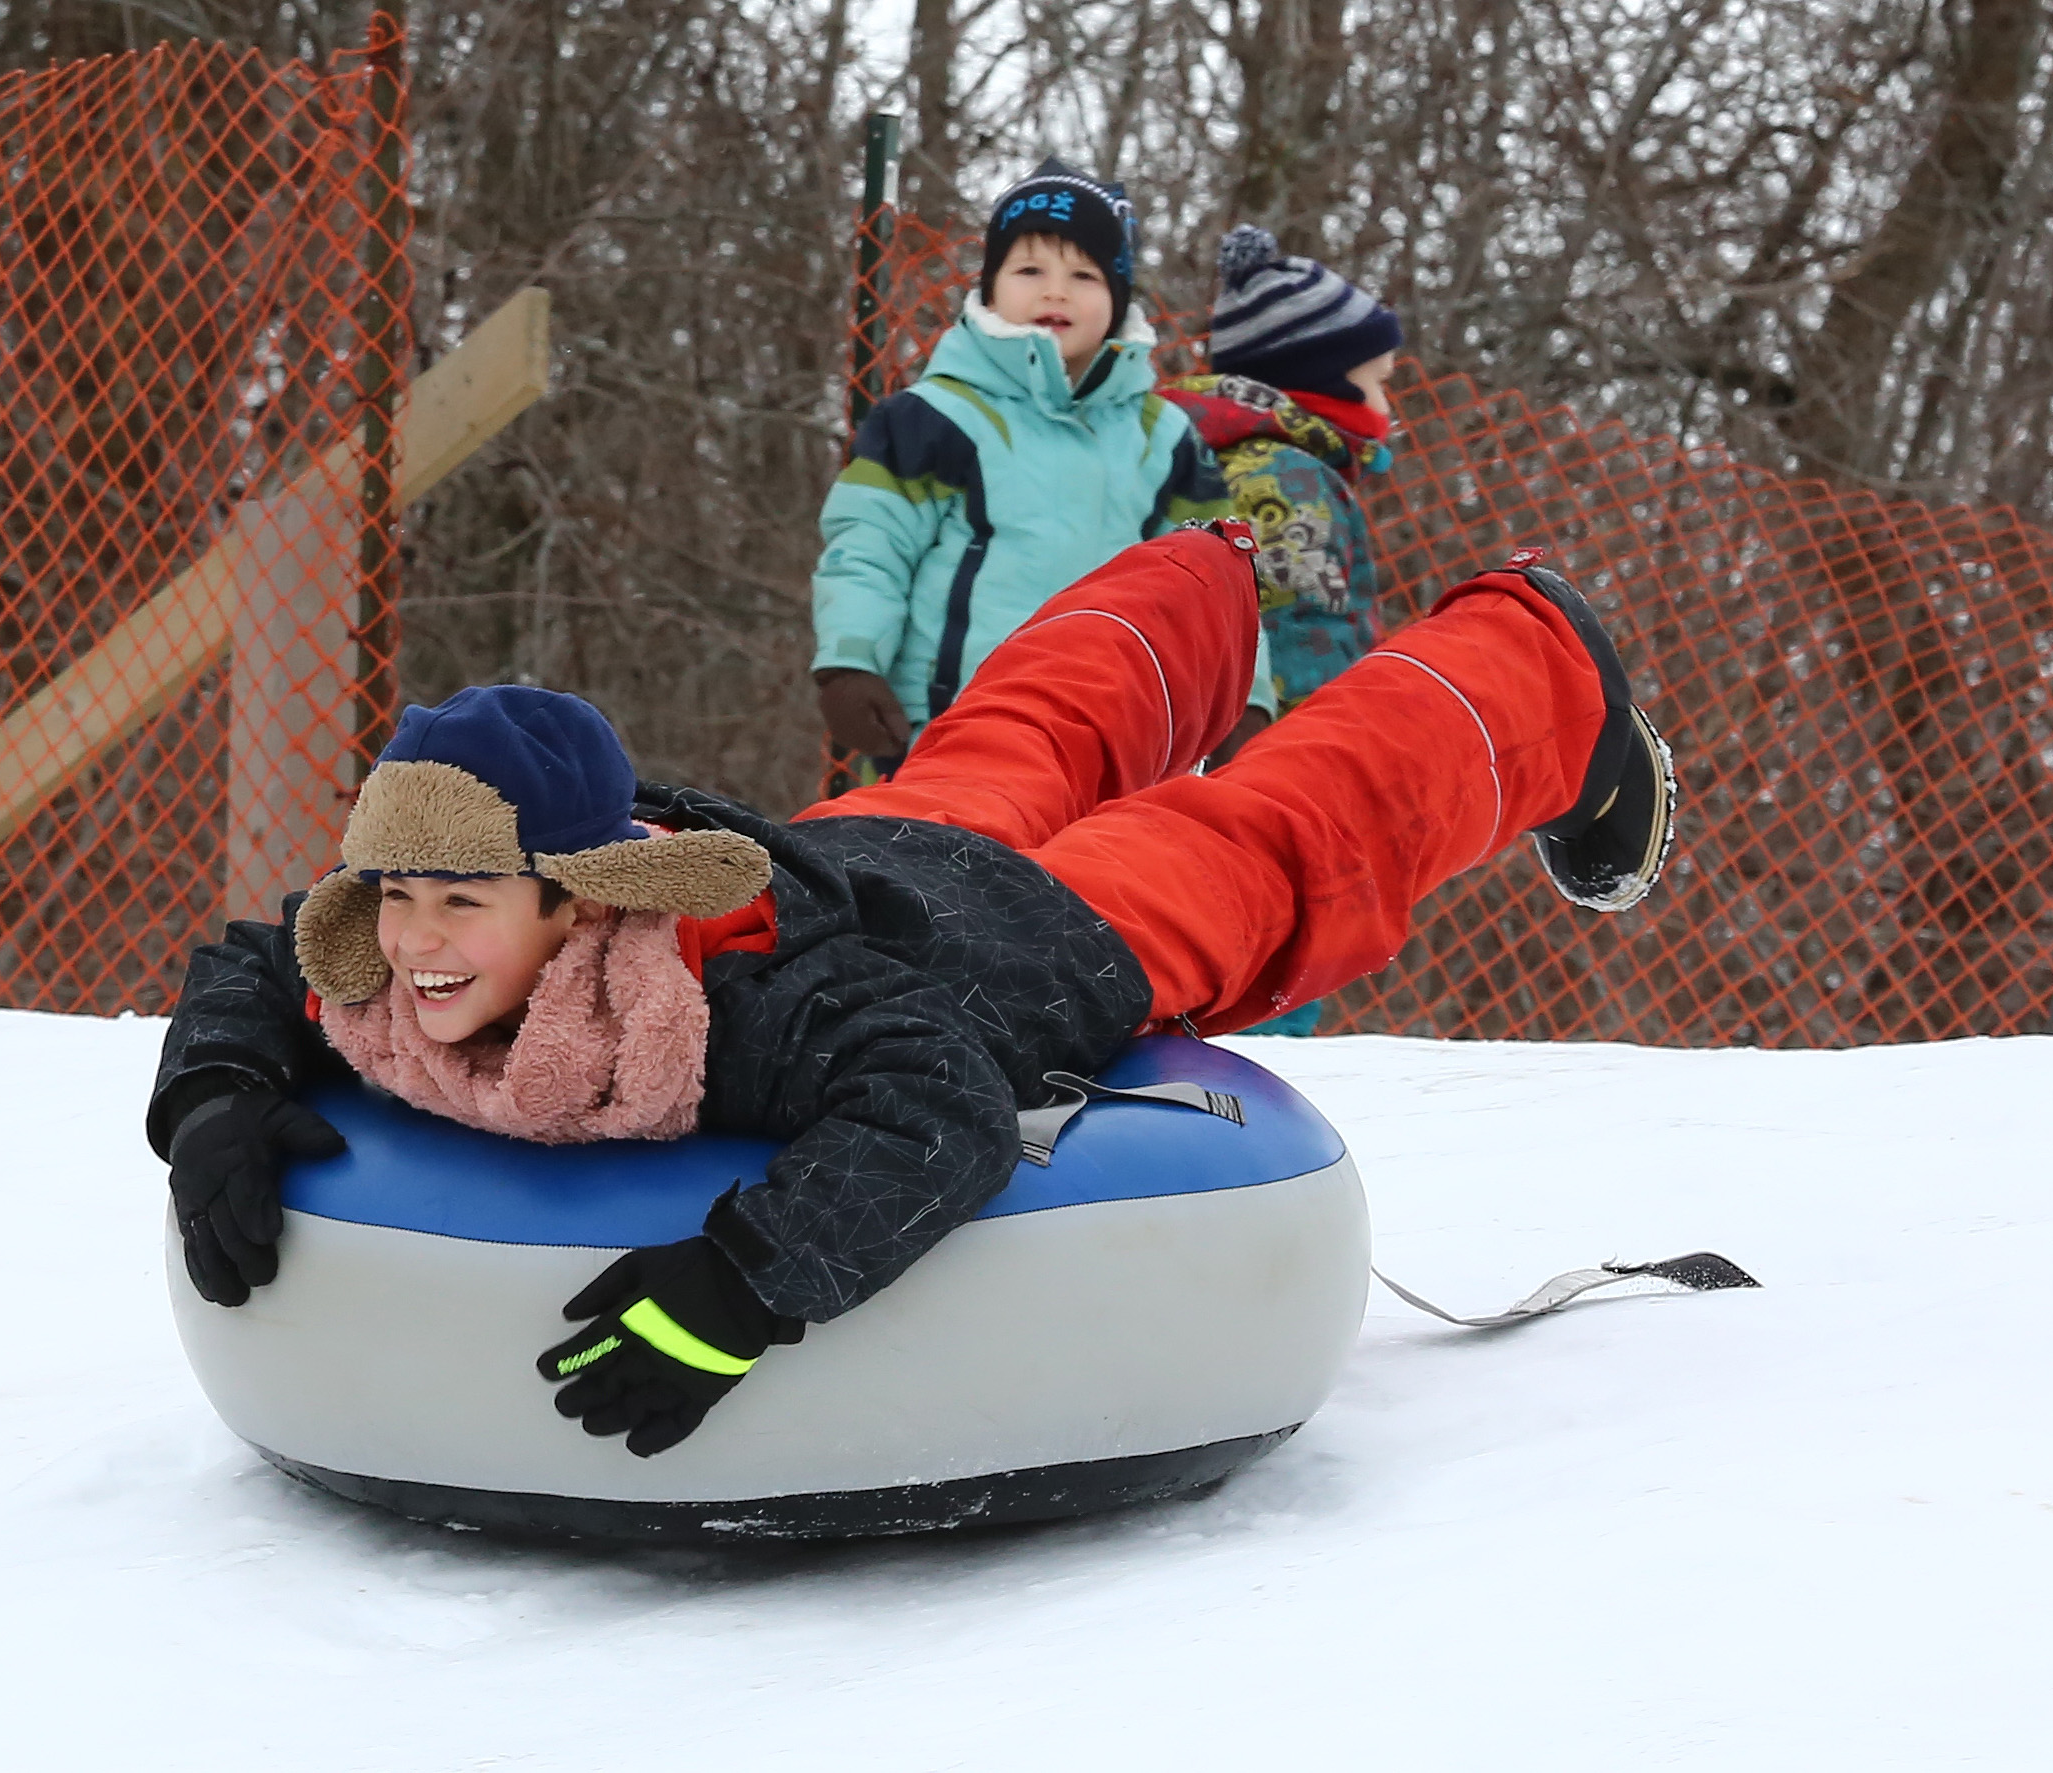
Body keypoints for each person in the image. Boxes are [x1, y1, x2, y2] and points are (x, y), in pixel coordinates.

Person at [147, 521, 1678, 1460]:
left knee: (1287, 835)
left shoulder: (726, 1015)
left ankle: (1541, 656)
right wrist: (217, 1095)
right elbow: (257, 959)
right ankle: (1205, 572)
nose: (415, 942)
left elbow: (935, 1107)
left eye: (460, 903)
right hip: (861, 845)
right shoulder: (390, 949)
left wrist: (746, 1285)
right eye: (395, 894)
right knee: (1021, 732)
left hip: (1040, 935)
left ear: (576, 902)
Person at [810, 158, 1237, 771]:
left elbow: (1218, 581)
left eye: (1084, 275)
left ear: (1118, 299)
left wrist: (1241, 701)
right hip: (947, 740)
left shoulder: (1164, 440)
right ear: (990, 287)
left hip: (1116, 745)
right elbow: (870, 546)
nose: (1055, 291)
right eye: (1029, 270)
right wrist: (851, 663)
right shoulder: (935, 418)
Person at [1166, 224, 1408, 1034]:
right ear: (1323, 383)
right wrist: (1344, 761)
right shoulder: (1289, 477)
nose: (1388, 409)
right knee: (1271, 942)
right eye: (1377, 385)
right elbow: (1305, 631)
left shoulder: (1227, 460)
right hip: (1280, 771)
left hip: (1212, 768)